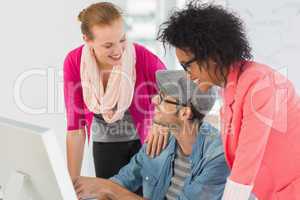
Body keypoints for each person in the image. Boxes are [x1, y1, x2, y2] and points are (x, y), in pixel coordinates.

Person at [157, 1, 300, 200]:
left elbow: (245, 165)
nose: (188, 76)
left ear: (211, 55)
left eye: (187, 66)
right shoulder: (232, 88)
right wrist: (166, 123)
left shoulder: (260, 85)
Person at [73, 70, 230, 200]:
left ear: (184, 113)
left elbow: (113, 189)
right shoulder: (160, 140)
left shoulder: (217, 156)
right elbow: (122, 182)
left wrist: (108, 188)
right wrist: (97, 192)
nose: (154, 100)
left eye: (162, 98)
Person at [63, 2, 167, 185]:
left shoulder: (142, 57)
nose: (119, 50)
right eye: (108, 45)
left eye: (122, 39)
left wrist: (162, 121)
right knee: (108, 193)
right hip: (105, 145)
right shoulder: (75, 62)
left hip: (145, 145)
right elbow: (76, 128)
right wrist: (71, 184)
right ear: (87, 40)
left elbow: (177, 92)